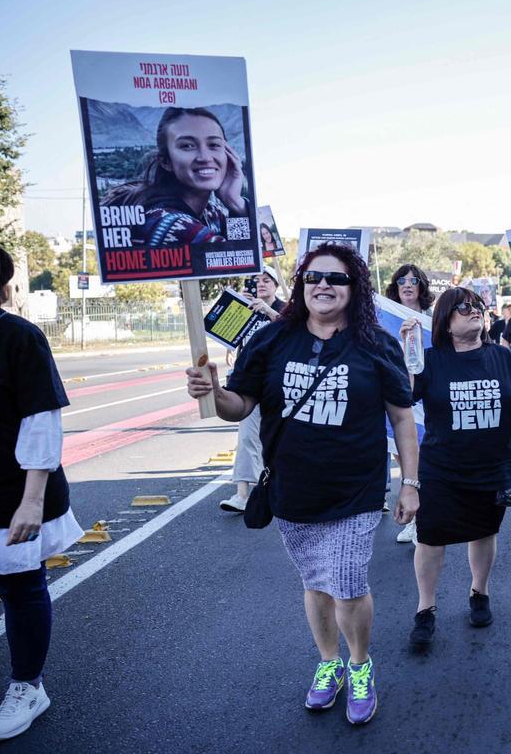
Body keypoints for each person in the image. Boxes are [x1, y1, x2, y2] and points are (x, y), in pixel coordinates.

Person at [186, 243, 420, 726]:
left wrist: (410, 482)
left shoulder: (377, 343)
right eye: (313, 278)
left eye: (335, 279)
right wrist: (213, 392)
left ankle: (359, 666)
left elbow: (401, 417)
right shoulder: (272, 340)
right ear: (301, 286)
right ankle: (328, 662)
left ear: (354, 289)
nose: (323, 286)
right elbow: (241, 405)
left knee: (349, 584)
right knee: (316, 582)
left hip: (356, 489)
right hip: (292, 489)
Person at [398, 287, 511, 647]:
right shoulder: (431, 361)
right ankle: (426, 608)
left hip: (493, 469)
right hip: (441, 470)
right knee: (431, 538)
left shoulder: (505, 358)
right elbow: (403, 397)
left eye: (477, 305)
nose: (474, 310)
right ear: (445, 322)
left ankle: (479, 593)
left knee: (484, 532)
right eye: (463, 307)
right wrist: (409, 354)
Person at [0, 240, 84, 741]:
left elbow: (42, 419)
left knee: (20, 588)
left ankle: (28, 686)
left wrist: (32, 499)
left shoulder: (18, 336)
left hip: (12, 489)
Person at [101, 107, 247, 247]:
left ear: (229, 154)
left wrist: (234, 203)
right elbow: (245, 261)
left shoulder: (211, 212)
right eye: (188, 146)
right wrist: (241, 209)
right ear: (166, 161)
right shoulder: (171, 224)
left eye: (214, 144)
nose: (205, 157)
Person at [221, 266, 287, 512]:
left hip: (278, 384)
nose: (261, 284)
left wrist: (268, 311)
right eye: (257, 280)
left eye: (267, 280)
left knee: (277, 439)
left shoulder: (284, 309)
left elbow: (293, 331)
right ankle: (242, 494)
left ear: (275, 286)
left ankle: (272, 488)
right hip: (249, 382)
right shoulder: (246, 307)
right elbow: (228, 334)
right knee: (247, 437)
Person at [385, 264, 435, 544]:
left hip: (426, 400)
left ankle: (425, 519)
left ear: (421, 286)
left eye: (412, 280)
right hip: (396, 396)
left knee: (422, 459)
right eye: (401, 280)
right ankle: (414, 519)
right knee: (402, 458)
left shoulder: (434, 320)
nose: (406, 284)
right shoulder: (386, 320)